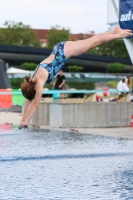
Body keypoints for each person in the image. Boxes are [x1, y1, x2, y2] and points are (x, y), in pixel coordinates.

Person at [19, 26, 133, 129]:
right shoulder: (32, 79)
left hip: (64, 51)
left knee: (94, 42)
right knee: (91, 41)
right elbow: (29, 100)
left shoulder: (38, 82)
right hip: (60, 48)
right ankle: (114, 31)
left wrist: (27, 121)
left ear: (33, 89)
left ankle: (119, 35)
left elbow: (35, 104)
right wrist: (23, 120)